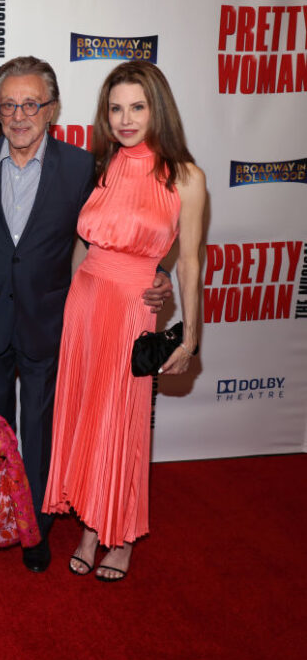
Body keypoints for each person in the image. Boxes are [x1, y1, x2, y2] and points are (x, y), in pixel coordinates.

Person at [0, 56, 172, 573]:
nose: (19, 116)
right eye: (8, 104)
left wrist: (158, 273)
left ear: (52, 109)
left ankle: (34, 520)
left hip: (52, 319)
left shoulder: (83, 166)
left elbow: (119, 229)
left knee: (37, 424)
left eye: (31, 104)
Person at [44, 61, 205, 582]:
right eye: (116, 108)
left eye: (137, 107)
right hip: (85, 302)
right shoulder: (101, 164)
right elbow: (83, 243)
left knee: (122, 419)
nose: (126, 118)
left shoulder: (186, 177)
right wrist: (71, 300)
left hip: (134, 308)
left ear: (158, 108)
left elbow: (189, 261)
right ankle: (91, 525)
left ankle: (121, 532)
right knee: (87, 412)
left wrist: (193, 335)